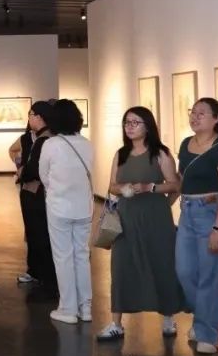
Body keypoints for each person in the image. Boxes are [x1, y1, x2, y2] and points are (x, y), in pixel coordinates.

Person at [96, 107, 185, 342]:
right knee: (122, 266)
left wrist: (150, 188)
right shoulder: (121, 154)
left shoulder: (161, 154)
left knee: (161, 264)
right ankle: (116, 323)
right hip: (126, 217)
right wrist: (123, 188)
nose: (130, 126)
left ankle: (168, 316)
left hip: (156, 217)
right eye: (127, 122)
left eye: (135, 122)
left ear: (148, 126)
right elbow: (112, 185)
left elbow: (175, 185)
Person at [176, 97, 218, 355]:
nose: (194, 117)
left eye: (201, 113)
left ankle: (207, 333)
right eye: (193, 112)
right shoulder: (185, 144)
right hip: (187, 213)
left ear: (217, 118)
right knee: (184, 272)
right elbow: (181, 180)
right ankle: (207, 316)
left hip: (211, 214)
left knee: (210, 277)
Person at [41, 99, 95, 325]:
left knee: (63, 257)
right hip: (84, 207)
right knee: (82, 255)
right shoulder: (87, 144)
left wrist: (56, 189)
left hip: (59, 207)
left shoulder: (51, 144)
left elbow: (44, 175)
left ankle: (68, 308)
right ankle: (86, 307)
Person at [15, 101, 58, 289]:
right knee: (37, 233)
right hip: (40, 192)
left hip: (35, 193)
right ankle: (38, 272)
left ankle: (42, 275)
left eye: (31, 114)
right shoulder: (48, 137)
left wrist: (22, 172)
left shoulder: (43, 140)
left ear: (39, 117)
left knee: (37, 233)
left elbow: (34, 170)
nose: (29, 118)